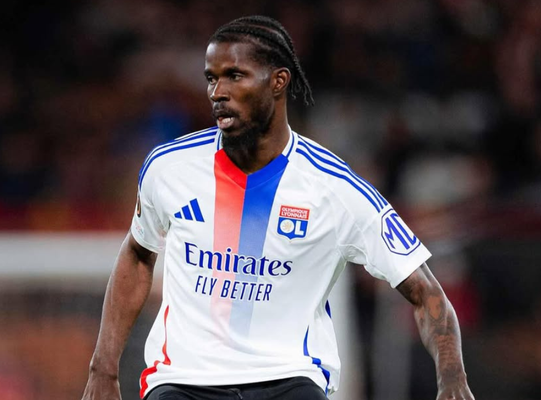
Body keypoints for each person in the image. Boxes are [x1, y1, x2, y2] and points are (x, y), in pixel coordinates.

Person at [81, 15, 475, 400]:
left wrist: (452, 379)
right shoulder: (169, 168)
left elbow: (426, 292)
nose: (217, 92)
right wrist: (103, 369)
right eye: (211, 78)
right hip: (183, 380)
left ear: (278, 81)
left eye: (234, 76)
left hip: (288, 379)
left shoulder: (335, 190)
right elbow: (138, 254)